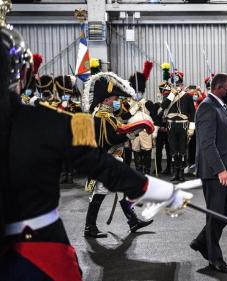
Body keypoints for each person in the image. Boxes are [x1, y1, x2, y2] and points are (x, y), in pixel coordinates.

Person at [0, 14, 191, 279]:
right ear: (23, 73)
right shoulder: (54, 122)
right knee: (100, 194)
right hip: (40, 252)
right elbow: (102, 164)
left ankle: (127, 219)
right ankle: (102, 223)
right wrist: (163, 192)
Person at [82, 72, 155, 238]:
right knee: (99, 192)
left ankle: (133, 221)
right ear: (106, 99)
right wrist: (133, 132)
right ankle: (89, 227)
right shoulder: (102, 116)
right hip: (106, 158)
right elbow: (110, 139)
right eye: (114, 98)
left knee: (122, 192)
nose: (115, 101)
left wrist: (132, 128)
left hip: (110, 158)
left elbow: (119, 127)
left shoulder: (106, 115)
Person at [190, 73, 227, 274]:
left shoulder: (222, 106)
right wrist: (220, 169)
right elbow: (206, 143)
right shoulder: (207, 107)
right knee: (215, 215)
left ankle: (202, 241)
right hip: (216, 172)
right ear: (218, 88)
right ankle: (215, 258)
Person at [161, 69, 195, 182]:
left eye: (179, 83)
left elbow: (192, 113)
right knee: (173, 149)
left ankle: (181, 173)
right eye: (176, 84)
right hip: (171, 125)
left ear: (182, 83)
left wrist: (191, 128)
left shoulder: (187, 96)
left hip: (183, 125)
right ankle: (175, 172)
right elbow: (164, 106)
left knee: (182, 149)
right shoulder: (169, 95)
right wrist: (172, 94)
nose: (178, 85)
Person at [128, 61, 155, 175]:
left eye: (139, 91)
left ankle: (147, 172)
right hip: (134, 131)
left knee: (147, 151)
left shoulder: (148, 103)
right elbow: (126, 116)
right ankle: (139, 172)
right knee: (136, 151)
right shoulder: (128, 103)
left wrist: (154, 132)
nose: (137, 93)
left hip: (145, 132)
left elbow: (154, 118)